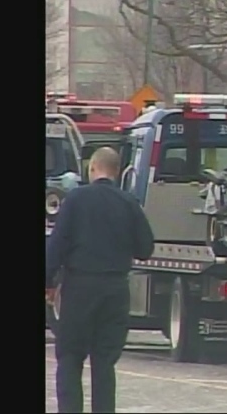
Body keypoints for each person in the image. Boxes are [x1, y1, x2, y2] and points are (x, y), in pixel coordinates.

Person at [46, 147, 155, 413]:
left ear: (92, 168)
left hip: (80, 288)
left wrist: (48, 281)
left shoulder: (75, 199)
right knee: (104, 362)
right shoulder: (129, 202)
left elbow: (57, 244)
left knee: (70, 357)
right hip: (115, 289)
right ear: (117, 172)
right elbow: (145, 248)